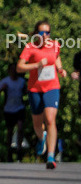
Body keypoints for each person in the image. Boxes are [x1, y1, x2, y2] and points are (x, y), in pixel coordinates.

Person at [16, 20, 67, 169]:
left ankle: (50, 156)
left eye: (47, 32)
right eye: (41, 32)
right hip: (35, 89)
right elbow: (19, 67)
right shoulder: (30, 47)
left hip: (52, 87)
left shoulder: (55, 45)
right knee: (37, 124)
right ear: (36, 33)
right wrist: (36, 65)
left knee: (50, 119)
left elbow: (56, 56)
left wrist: (60, 69)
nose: (45, 35)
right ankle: (41, 137)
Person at [0, 64, 27, 162]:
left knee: (20, 127)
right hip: (8, 109)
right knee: (10, 130)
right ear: (9, 71)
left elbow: (26, 92)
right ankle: (9, 151)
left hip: (20, 107)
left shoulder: (21, 82)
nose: (14, 71)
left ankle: (19, 150)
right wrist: (2, 89)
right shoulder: (5, 81)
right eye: (11, 70)